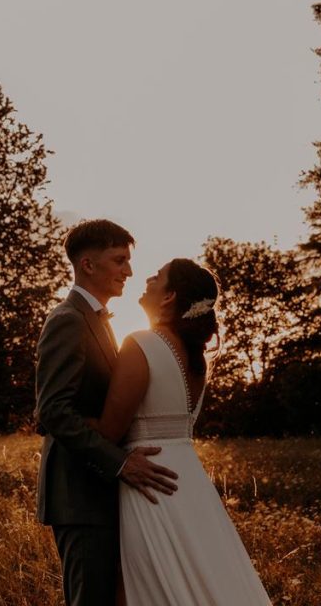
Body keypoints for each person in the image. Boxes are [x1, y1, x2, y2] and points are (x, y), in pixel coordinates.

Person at [96, 257, 274, 606]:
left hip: (150, 480)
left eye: (158, 276)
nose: (147, 277)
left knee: (146, 583)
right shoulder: (196, 359)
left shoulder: (141, 343)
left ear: (169, 296)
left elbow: (108, 431)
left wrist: (62, 417)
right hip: (188, 480)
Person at [35, 219, 178, 606]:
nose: (129, 271)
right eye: (119, 260)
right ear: (88, 265)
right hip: (78, 496)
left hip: (100, 493)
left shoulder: (96, 321)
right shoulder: (67, 320)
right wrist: (120, 463)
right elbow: (52, 412)